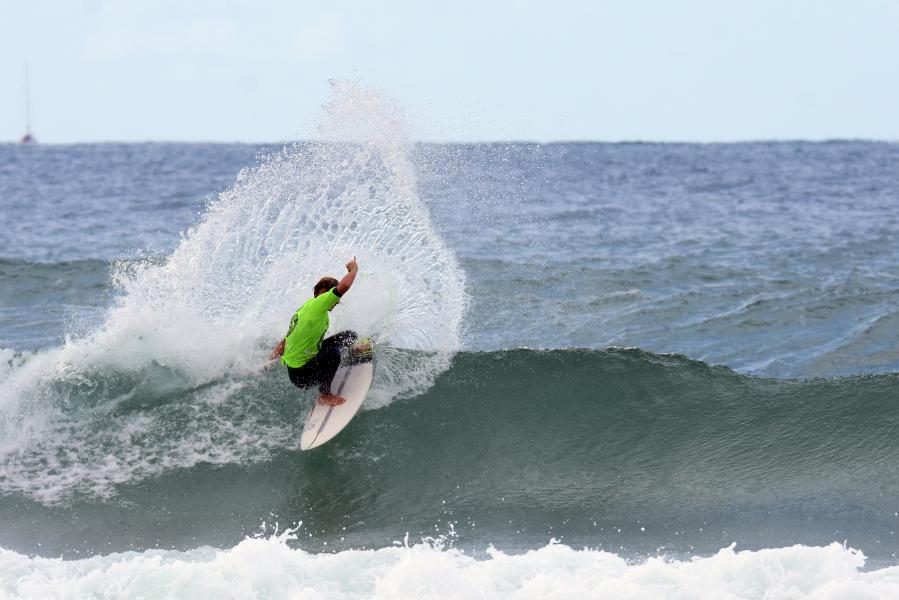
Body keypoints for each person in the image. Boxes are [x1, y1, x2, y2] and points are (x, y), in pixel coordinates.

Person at [270, 256, 364, 406]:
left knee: (348, 336)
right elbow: (345, 285)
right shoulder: (319, 304)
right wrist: (354, 269)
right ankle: (324, 395)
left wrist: (269, 362)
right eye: (335, 297)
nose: (336, 303)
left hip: (305, 363)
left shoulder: (305, 309)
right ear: (324, 291)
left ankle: (347, 353)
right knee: (333, 353)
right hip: (302, 376)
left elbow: (285, 340)